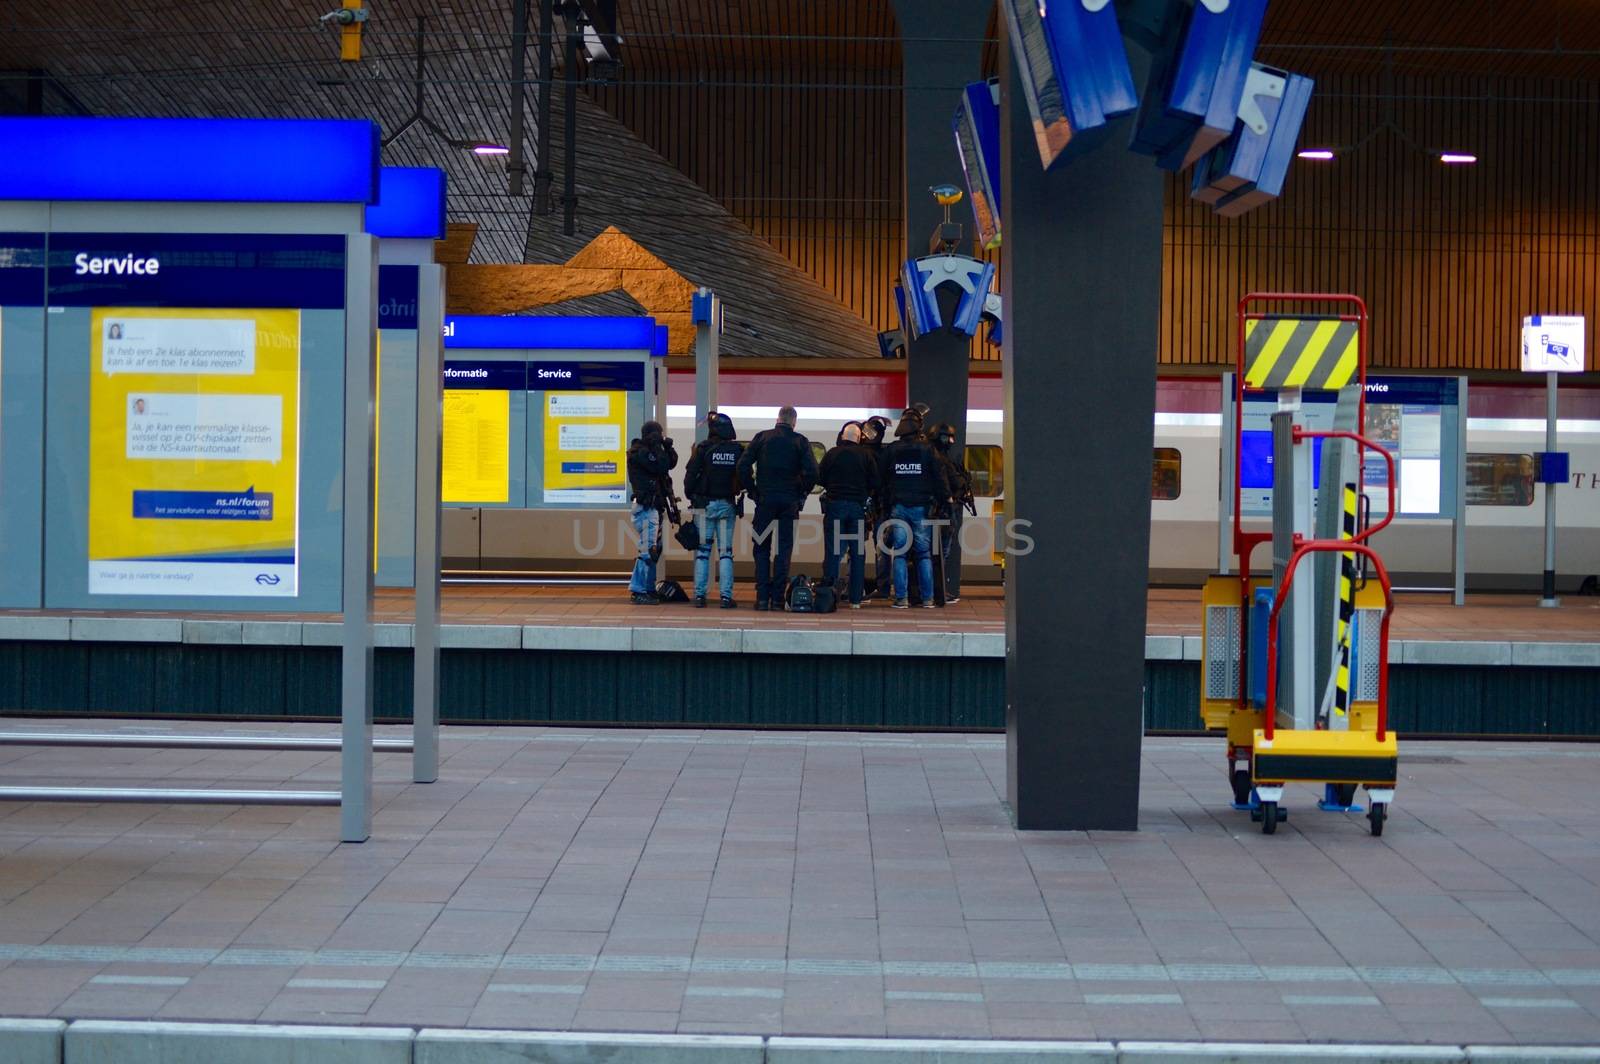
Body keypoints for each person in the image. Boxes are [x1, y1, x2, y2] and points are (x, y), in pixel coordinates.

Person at [736, 405, 817, 610]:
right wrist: (802, 493)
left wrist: (753, 490)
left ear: (777, 419)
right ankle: (779, 599)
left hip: (765, 502)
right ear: (794, 422)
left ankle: (762, 598)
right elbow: (812, 472)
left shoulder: (762, 438)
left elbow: (742, 466)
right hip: (789, 504)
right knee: (784, 550)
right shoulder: (800, 441)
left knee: (761, 549)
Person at [879, 410, 950, 609]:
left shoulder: (892, 450)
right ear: (918, 426)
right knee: (923, 554)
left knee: (900, 554)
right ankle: (927, 599)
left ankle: (901, 599)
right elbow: (939, 477)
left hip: (898, 507)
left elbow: (880, 478)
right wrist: (946, 500)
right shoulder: (928, 449)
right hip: (922, 508)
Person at [683, 410, 743, 609]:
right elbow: (743, 477)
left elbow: (690, 475)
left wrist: (691, 495)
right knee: (725, 552)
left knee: (703, 552)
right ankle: (726, 597)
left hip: (705, 506)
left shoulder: (703, 449)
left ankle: (699, 596)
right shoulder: (737, 450)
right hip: (727, 505)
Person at [818, 421, 879, 609]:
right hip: (857, 509)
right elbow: (875, 481)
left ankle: (830, 597)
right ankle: (855, 600)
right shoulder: (866, 455)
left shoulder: (831, 454)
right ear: (859, 438)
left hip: (835, 506)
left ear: (843, 436)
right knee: (857, 553)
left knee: (833, 553)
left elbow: (820, 478)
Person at [625, 420, 677, 605]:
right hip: (646, 508)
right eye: (658, 434)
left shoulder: (652, 452)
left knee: (654, 550)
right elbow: (660, 466)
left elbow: (670, 463)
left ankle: (648, 588)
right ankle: (638, 590)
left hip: (654, 508)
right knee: (647, 550)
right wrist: (657, 446)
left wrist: (668, 448)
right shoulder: (639, 452)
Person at [930, 421, 973, 605]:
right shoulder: (942, 460)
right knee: (941, 553)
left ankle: (933, 590)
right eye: (947, 437)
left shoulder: (936, 457)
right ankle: (937, 591)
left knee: (933, 554)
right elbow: (956, 484)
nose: (950, 440)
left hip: (936, 512)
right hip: (943, 512)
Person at [859, 415, 893, 599]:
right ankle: (883, 588)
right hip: (881, 507)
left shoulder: (859, 452)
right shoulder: (886, 453)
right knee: (882, 549)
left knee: (855, 547)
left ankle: (855, 585)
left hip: (862, 504)